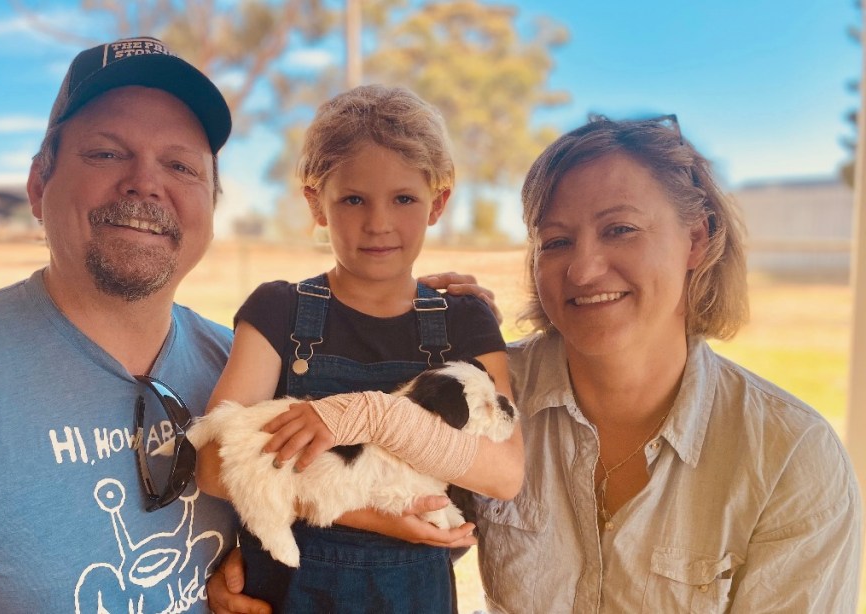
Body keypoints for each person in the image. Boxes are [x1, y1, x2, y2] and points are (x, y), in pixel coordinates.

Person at [211, 114, 863, 613]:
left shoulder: (789, 458)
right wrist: (261, 552)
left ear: (697, 239)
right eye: (556, 240)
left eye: (621, 229)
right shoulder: (472, 397)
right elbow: (357, 478)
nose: (582, 268)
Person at [0, 36, 242, 613]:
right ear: (38, 184)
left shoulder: (239, 371)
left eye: (181, 166)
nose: (145, 183)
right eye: (106, 154)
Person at [194, 84, 525, 613]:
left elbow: (504, 474)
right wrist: (374, 514)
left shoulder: (464, 320)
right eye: (352, 199)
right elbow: (212, 465)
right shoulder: (278, 311)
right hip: (286, 592)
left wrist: (367, 420)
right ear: (315, 203)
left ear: (437, 203)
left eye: (403, 199)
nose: (378, 223)